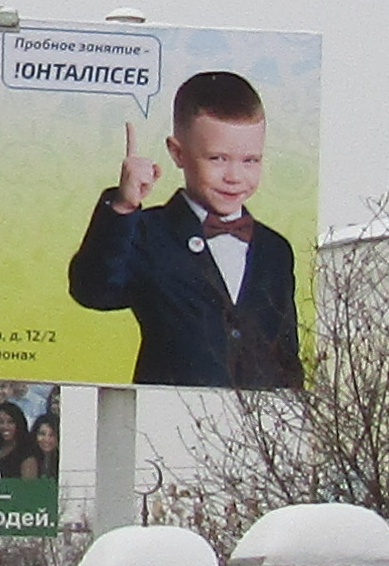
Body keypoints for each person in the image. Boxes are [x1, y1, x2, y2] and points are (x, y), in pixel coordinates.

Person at [67, 69, 306, 387]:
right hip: (167, 419)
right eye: (218, 158)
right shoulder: (148, 232)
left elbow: (286, 351)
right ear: (178, 153)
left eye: (250, 160)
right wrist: (124, 207)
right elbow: (93, 291)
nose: (234, 176)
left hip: (258, 429)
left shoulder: (275, 249)